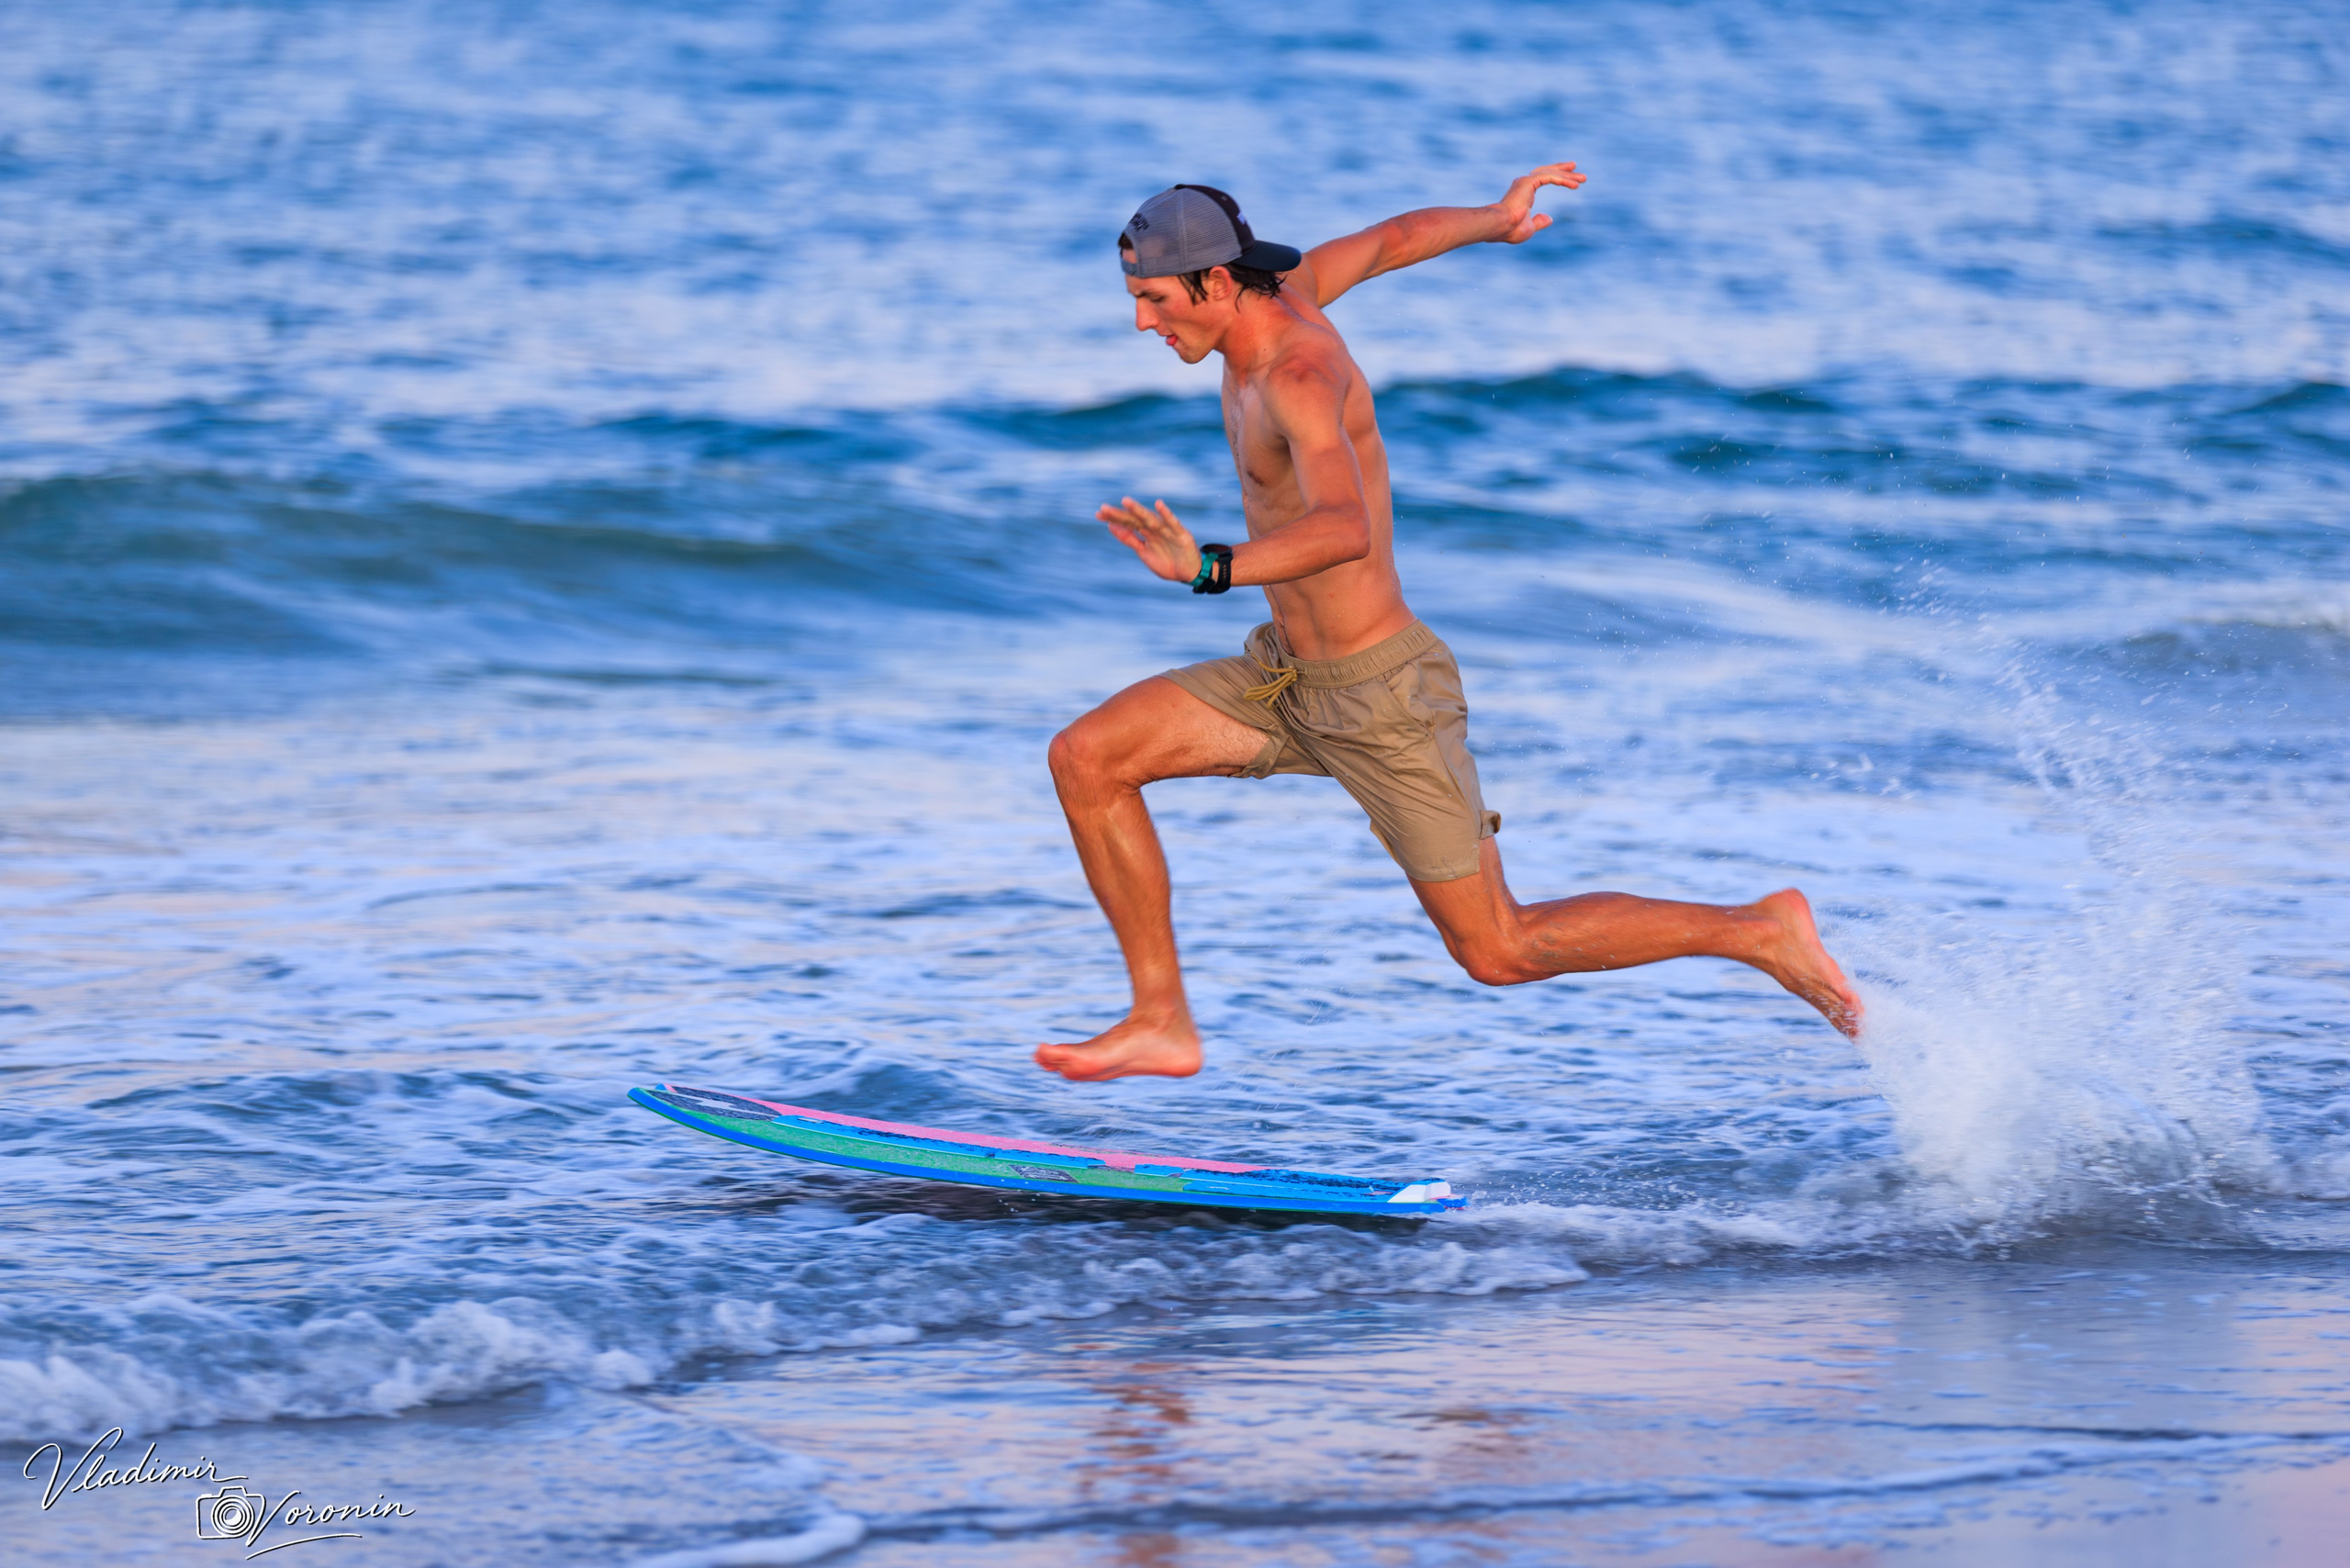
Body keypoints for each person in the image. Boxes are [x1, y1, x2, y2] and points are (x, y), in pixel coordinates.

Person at [1036, 169, 1862, 1082]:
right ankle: (1160, 1019)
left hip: (1380, 697)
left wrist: (1209, 566)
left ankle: (1758, 931)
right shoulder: (1285, 289)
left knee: (1499, 948)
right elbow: (1391, 241)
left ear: (1218, 281)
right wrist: (1495, 219)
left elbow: (1343, 528)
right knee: (1088, 759)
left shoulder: (1298, 372)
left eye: (1154, 300)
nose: (1142, 323)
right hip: (1285, 679)